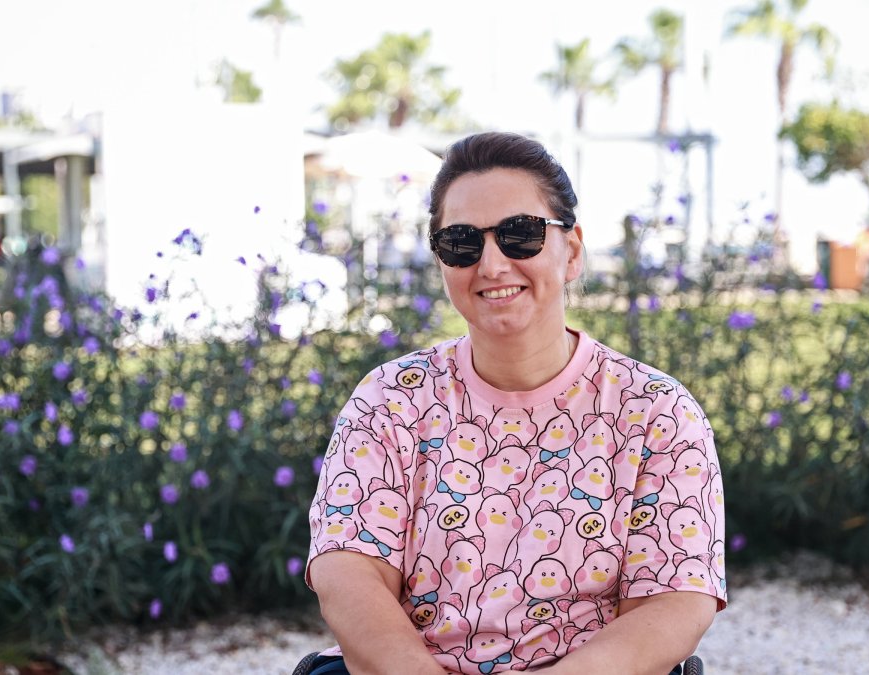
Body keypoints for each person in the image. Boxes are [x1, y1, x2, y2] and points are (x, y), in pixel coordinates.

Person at [306, 132, 726, 675]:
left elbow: (674, 601)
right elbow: (349, 571)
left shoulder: (657, 412)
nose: (492, 264)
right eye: (461, 242)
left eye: (519, 235)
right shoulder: (389, 400)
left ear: (571, 251)